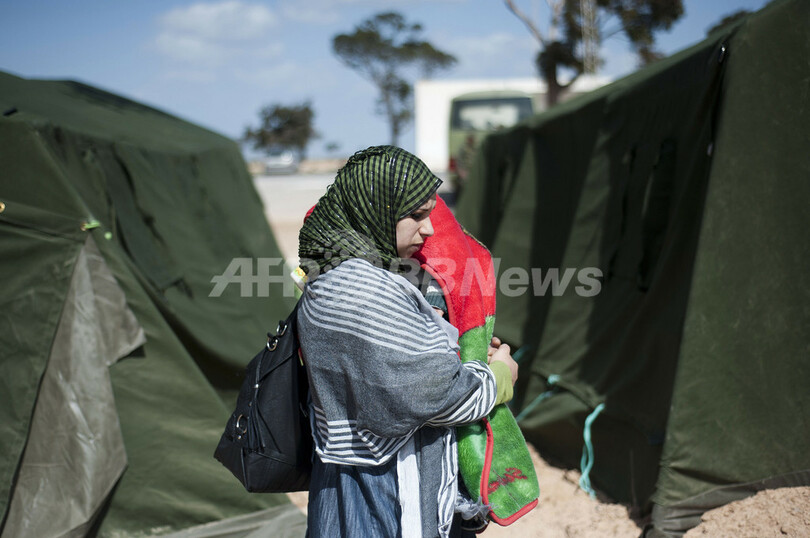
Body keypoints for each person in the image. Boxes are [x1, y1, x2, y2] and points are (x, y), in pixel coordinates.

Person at [297, 145, 518, 538]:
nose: (429, 229)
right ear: (376, 209)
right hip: (385, 492)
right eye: (415, 215)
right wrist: (498, 374)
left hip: (348, 477)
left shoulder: (330, 273)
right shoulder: (365, 289)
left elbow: (389, 365)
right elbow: (435, 397)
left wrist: (443, 346)